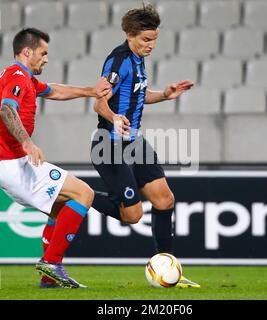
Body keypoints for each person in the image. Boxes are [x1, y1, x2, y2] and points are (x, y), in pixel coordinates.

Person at [0, 28, 111, 288]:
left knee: (59, 206)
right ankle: (52, 263)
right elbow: (7, 109)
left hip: (7, 164)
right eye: (43, 53)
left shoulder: (24, 78)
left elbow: (54, 91)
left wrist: (89, 91)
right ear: (27, 52)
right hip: (12, 162)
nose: (46, 59)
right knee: (84, 194)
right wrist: (27, 142)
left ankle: (48, 277)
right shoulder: (18, 77)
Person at [89, 4, 199, 288]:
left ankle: (167, 266)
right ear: (129, 34)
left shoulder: (138, 61)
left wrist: (164, 94)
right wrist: (113, 117)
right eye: (146, 40)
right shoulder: (118, 60)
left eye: (154, 40)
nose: (151, 45)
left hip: (134, 142)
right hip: (109, 145)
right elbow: (98, 100)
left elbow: (137, 95)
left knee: (165, 200)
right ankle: (79, 196)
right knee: (133, 215)